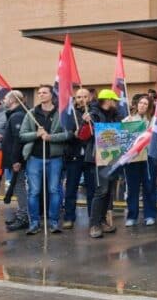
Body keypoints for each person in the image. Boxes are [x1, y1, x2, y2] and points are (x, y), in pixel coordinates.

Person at [19, 84, 71, 235]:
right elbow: (22, 135)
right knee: (34, 191)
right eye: (39, 93)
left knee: (54, 190)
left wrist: (50, 137)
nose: (41, 95)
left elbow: (68, 134)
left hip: (55, 158)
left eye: (44, 92)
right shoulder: (31, 114)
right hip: (34, 158)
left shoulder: (61, 114)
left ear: (51, 95)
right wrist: (36, 134)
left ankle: (54, 222)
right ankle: (34, 223)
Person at [87, 90, 124, 238]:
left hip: (113, 156)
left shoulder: (116, 114)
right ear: (107, 100)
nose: (115, 102)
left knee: (108, 191)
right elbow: (87, 133)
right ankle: (94, 224)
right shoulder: (93, 114)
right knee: (101, 190)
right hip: (99, 157)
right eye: (113, 100)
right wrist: (87, 121)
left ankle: (101, 221)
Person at [61, 88, 97, 229]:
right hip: (74, 155)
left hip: (90, 157)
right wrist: (73, 133)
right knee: (71, 189)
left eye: (84, 96)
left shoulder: (95, 112)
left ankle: (93, 219)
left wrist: (90, 122)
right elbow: (65, 132)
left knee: (92, 190)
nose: (81, 99)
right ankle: (69, 218)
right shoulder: (70, 114)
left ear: (90, 97)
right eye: (78, 97)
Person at [123, 95, 157, 227]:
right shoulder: (128, 120)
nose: (142, 105)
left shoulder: (153, 121)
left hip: (148, 158)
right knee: (132, 188)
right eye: (140, 103)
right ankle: (132, 216)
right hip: (133, 159)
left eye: (145, 103)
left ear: (149, 107)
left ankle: (150, 215)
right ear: (136, 105)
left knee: (149, 186)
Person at [2, 90, 29, 232]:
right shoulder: (15, 115)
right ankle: (21, 214)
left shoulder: (17, 116)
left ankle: (23, 217)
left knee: (19, 188)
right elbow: (13, 138)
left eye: (6, 98)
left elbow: (18, 140)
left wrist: (16, 160)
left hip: (17, 160)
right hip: (15, 159)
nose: (4, 100)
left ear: (12, 100)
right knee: (18, 187)